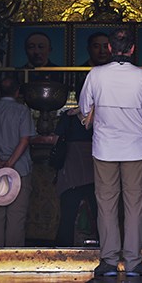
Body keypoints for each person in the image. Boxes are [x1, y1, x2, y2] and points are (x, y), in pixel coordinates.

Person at [79, 28, 142, 277]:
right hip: (136, 147)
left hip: (105, 148)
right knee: (135, 206)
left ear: (111, 49)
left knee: (106, 204)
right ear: (133, 49)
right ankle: (134, 262)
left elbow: (83, 106)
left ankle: (110, 261)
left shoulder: (96, 74)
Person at [0, 76, 36, 247]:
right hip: (19, 169)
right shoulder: (22, 111)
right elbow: (24, 140)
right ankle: (12, 256)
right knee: (16, 216)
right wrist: (10, 163)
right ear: (17, 92)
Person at [53, 84, 97, 247]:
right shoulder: (99, 116)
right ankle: (105, 251)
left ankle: (63, 251)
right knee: (101, 215)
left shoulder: (68, 117)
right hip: (95, 169)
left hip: (72, 172)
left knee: (68, 215)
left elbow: (55, 140)